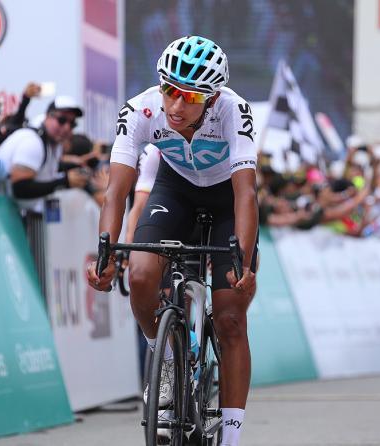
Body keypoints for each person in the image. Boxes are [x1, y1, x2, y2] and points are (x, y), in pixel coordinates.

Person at [87, 35, 258, 446]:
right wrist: (106, 250)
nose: (176, 106)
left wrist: (244, 263)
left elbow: (245, 194)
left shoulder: (235, 111)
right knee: (143, 276)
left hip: (225, 201)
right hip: (174, 191)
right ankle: (165, 363)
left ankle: (231, 435)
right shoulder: (142, 108)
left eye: (189, 97)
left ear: (212, 99)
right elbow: (116, 191)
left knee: (231, 317)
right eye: (170, 92)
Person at [0, 96, 89, 211]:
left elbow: (45, 170)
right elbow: (20, 188)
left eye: (72, 124)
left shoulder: (54, 144)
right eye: (61, 120)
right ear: (47, 116)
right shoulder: (32, 142)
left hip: (6, 212)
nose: (67, 127)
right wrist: (65, 182)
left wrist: (76, 167)